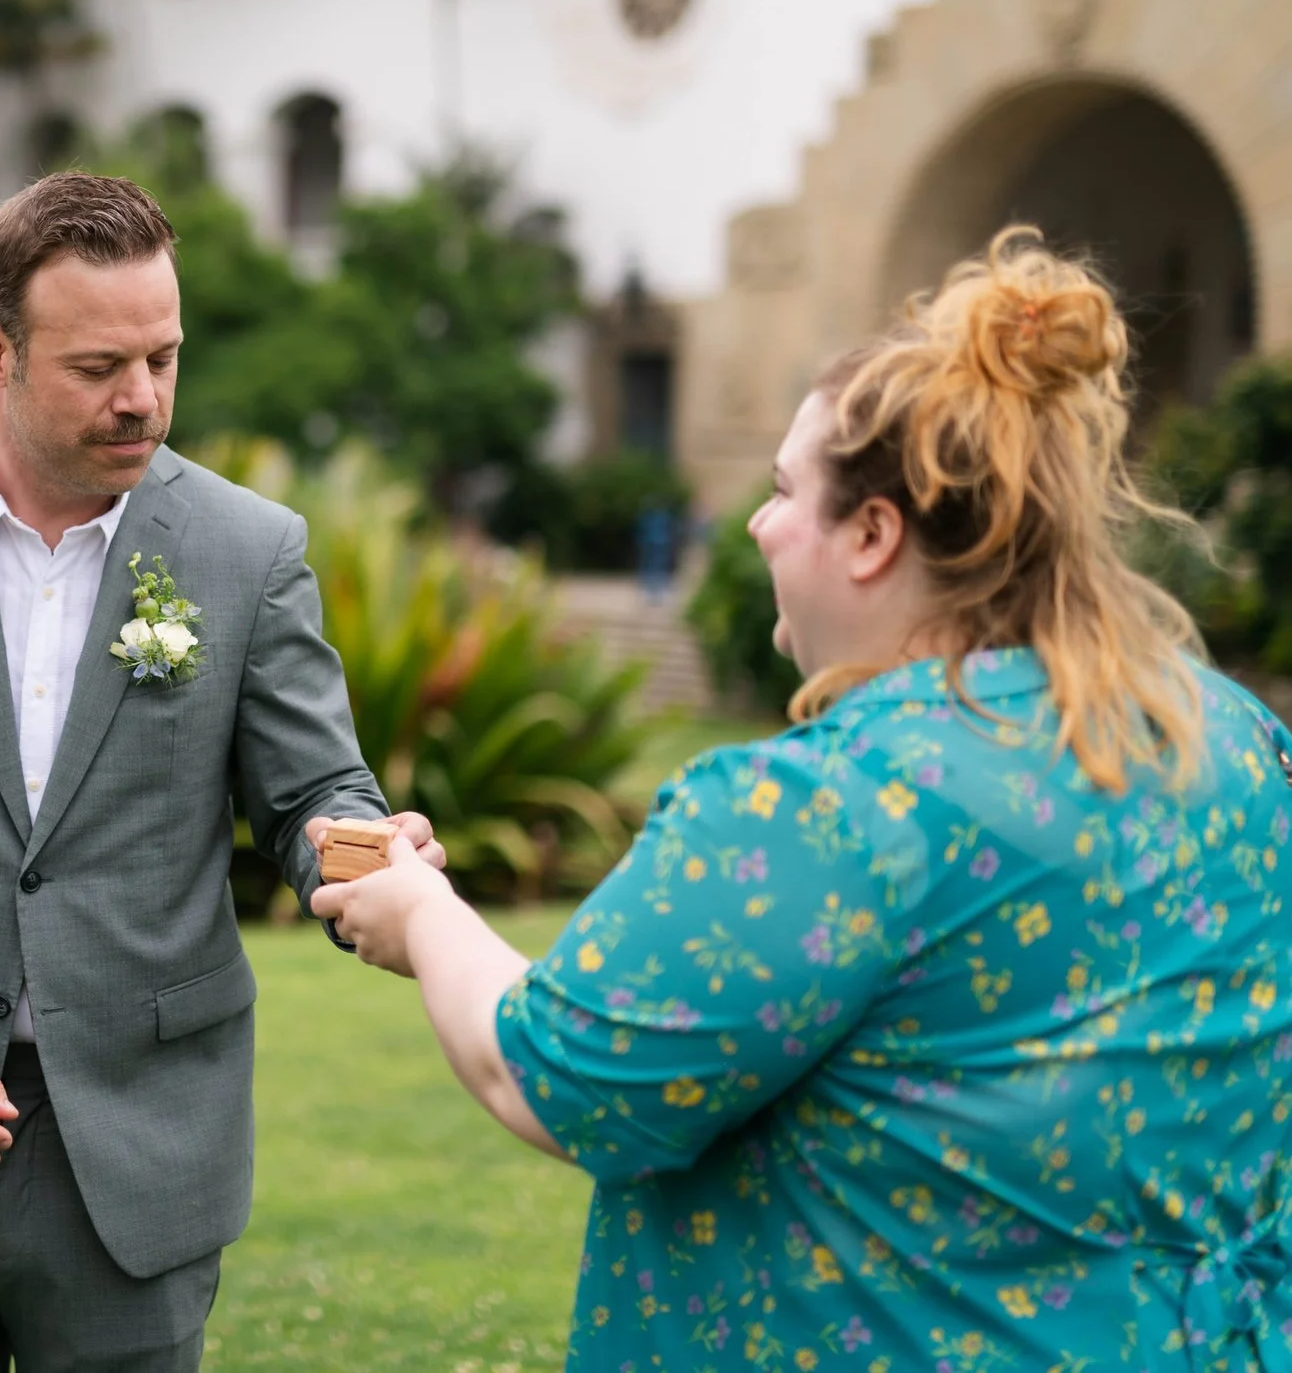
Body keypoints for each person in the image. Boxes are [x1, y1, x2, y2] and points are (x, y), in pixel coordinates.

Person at [317, 227, 1292, 1370]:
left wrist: (419, 913)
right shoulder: (1231, 737)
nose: (755, 523)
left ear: (872, 533)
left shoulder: (828, 805)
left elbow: (556, 1076)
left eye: (784, 490)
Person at [0, 171, 440, 1373]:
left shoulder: (248, 548)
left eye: (163, 357)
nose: (142, 397)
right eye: (99, 365)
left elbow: (313, 793)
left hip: (140, 1146)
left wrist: (369, 857)